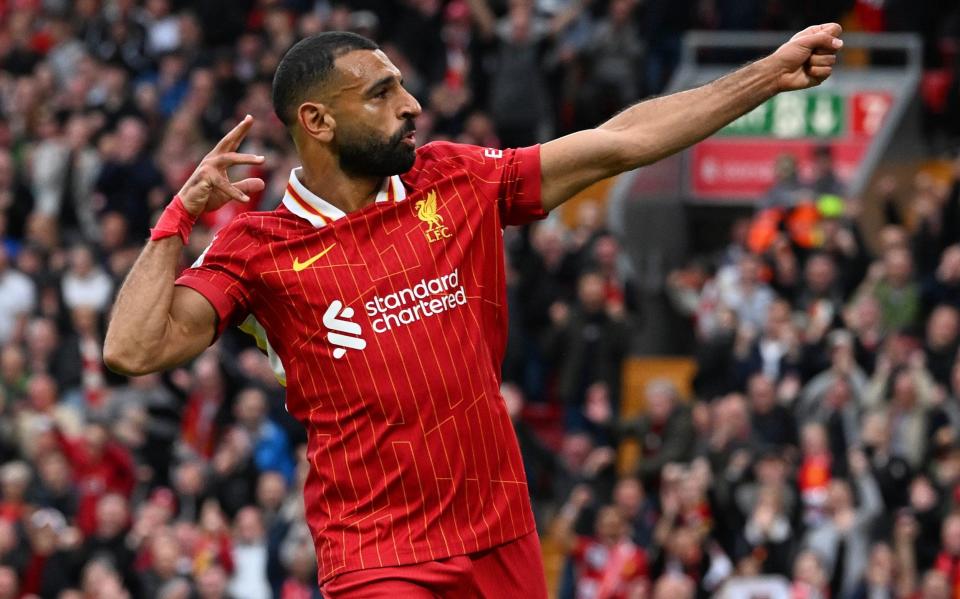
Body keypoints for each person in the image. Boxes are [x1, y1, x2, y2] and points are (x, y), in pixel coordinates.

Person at [104, 26, 844, 598]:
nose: (411, 105)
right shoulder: (257, 247)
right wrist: (178, 217)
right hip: (377, 552)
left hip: (499, 530)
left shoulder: (453, 179)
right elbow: (134, 350)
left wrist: (768, 77)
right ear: (317, 121)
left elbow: (617, 144)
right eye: (382, 93)